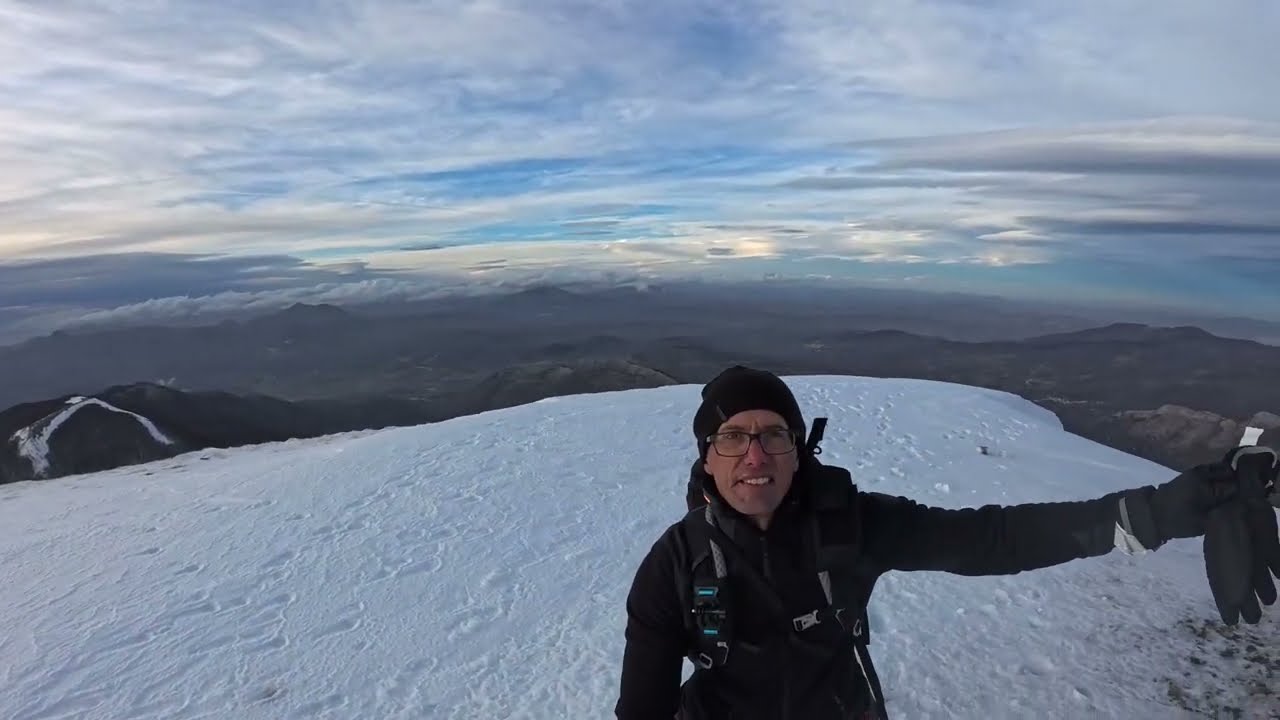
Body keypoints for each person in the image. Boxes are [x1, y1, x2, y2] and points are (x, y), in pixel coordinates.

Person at [614, 365, 1279, 720]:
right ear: (707, 457)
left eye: (773, 434)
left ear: (799, 451)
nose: (754, 453)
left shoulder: (853, 525)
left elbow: (995, 539)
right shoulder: (674, 566)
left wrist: (1162, 509)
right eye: (734, 436)